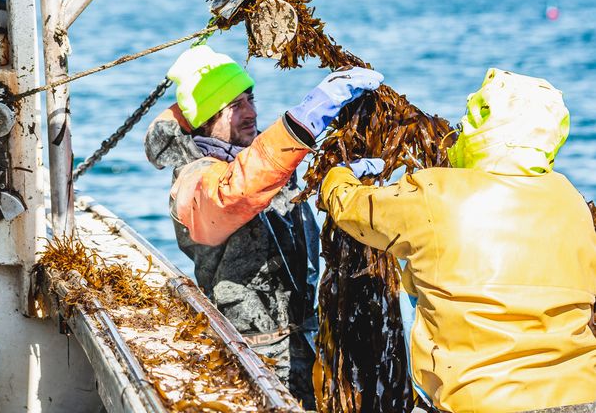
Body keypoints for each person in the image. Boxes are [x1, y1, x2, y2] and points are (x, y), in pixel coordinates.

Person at [319, 68, 596, 413]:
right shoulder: (571, 201)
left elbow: (353, 210)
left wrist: (337, 174)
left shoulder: (436, 194)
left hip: (481, 400)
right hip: (582, 395)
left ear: (486, 131)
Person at [144, 44, 383, 407]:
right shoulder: (193, 180)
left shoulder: (254, 159)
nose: (251, 113)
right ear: (206, 119)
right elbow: (235, 193)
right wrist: (303, 121)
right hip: (250, 351)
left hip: (302, 339)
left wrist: (343, 178)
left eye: (250, 98)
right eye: (234, 106)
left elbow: (267, 180)